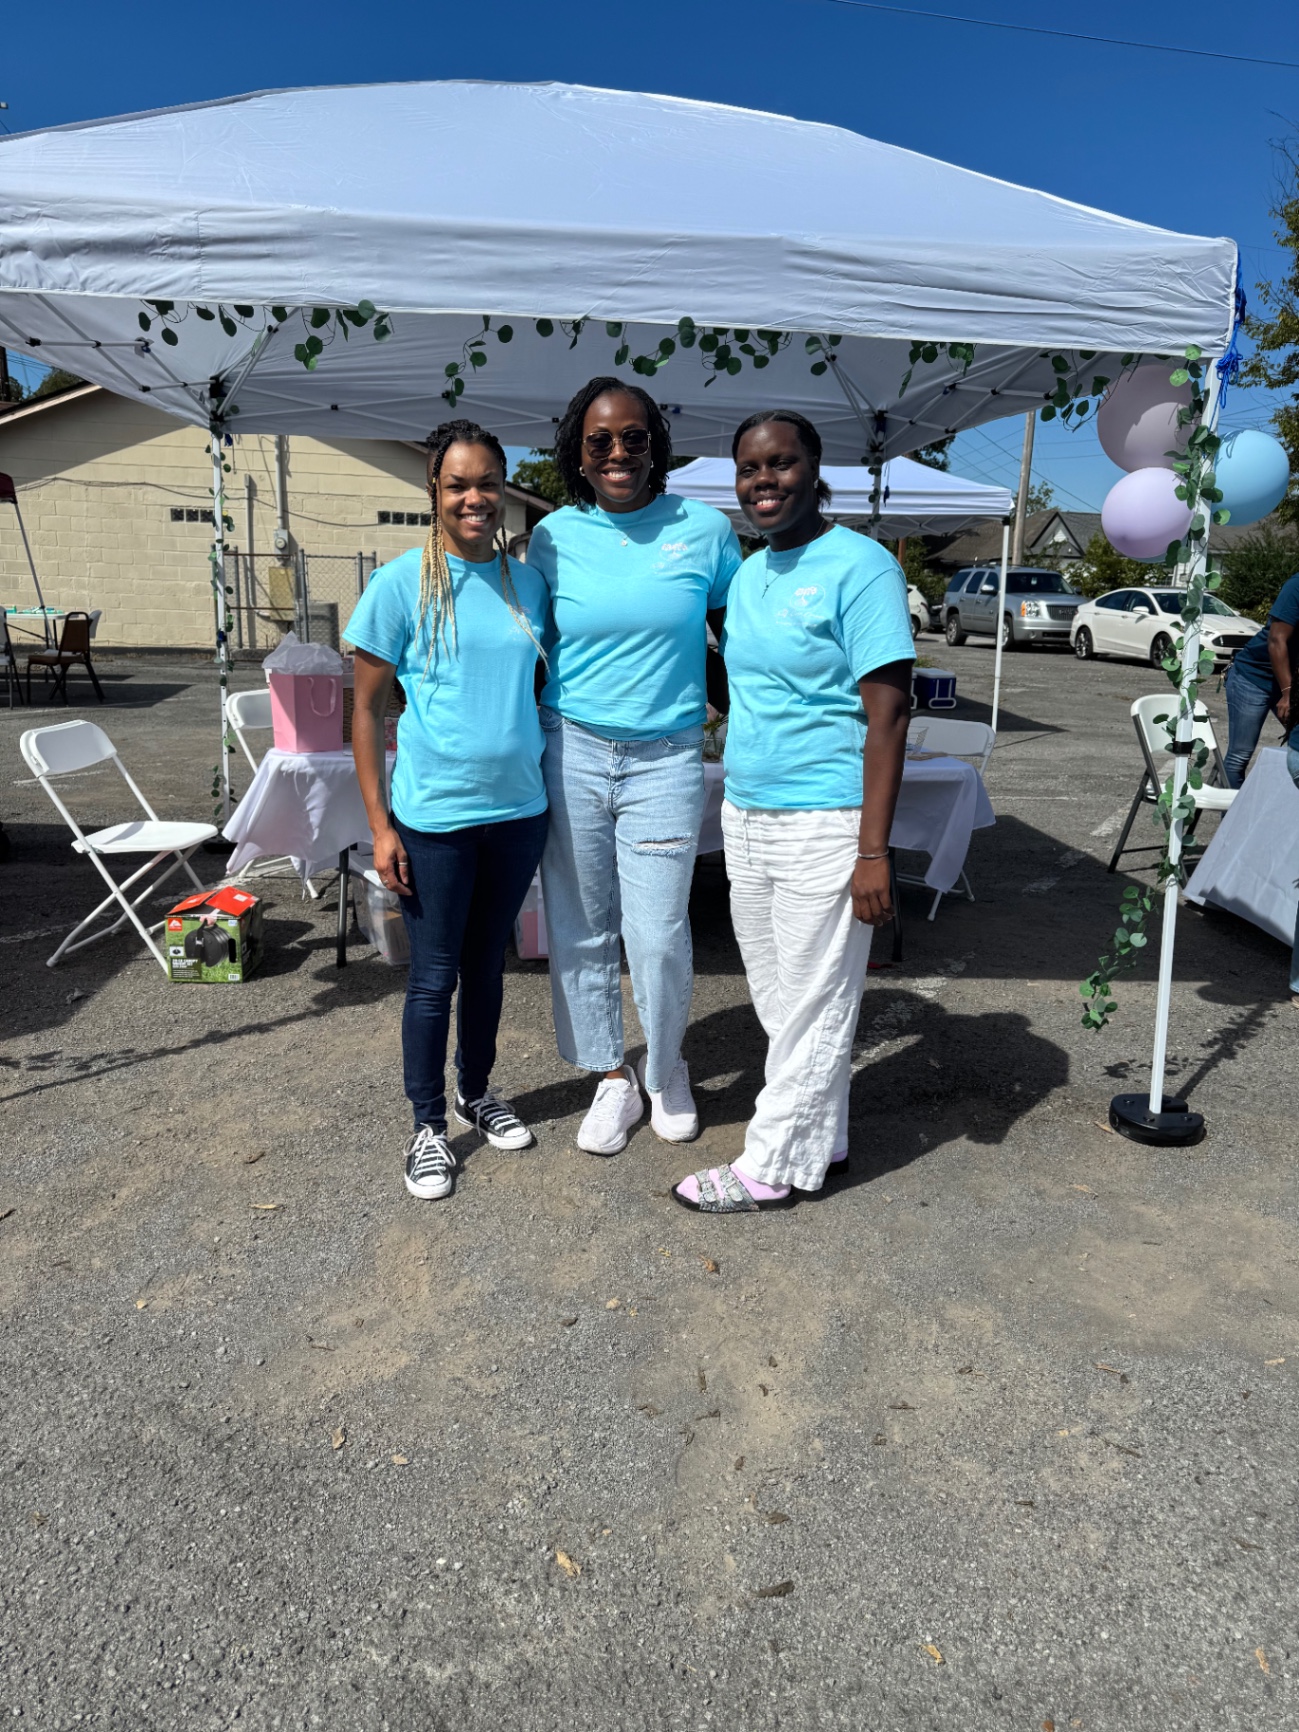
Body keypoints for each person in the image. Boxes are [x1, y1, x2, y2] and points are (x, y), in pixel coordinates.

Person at [673, 410, 914, 1214]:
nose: (762, 482)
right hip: (746, 812)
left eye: (779, 464)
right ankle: (823, 1134)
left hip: (825, 818)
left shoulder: (861, 566)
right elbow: (741, 691)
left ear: (815, 469)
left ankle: (770, 1167)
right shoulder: (747, 575)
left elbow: (888, 715)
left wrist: (872, 852)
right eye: (748, 469)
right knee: (780, 997)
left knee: (814, 997)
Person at [526, 378, 742, 1155]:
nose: (618, 453)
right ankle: (609, 1076)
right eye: (600, 441)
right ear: (577, 455)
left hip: (665, 758)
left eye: (633, 438)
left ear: (657, 444)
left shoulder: (707, 530)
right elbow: (528, 643)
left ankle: (667, 1066)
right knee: (582, 928)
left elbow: (736, 639)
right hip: (572, 747)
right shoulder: (551, 538)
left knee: (656, 932)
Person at [346, 421, 550, 1201]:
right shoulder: (399, 585)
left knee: (487, 967)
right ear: (433, 492)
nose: (474, 497)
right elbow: (365, 712)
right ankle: (427, 1125)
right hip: (433, 817)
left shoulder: (525, 584)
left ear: (503, 490)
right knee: (433, 977)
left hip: (517, 812)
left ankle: (477, 1090)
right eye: (458, 484)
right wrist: (379, 824)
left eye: (487, 482)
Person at [1222, 570, 1299, 787]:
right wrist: (1288, 693)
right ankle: (1232, 819)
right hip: (1253, 677)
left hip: (1289, 679)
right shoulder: (1296, 586)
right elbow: (1276, 639)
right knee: (1240, 755)